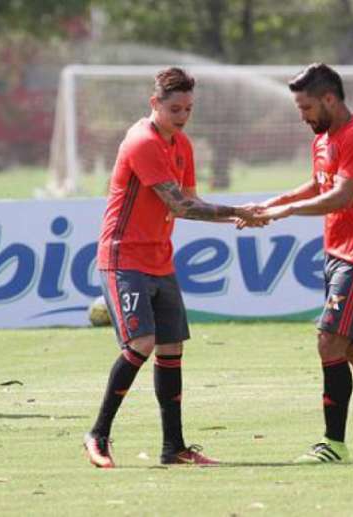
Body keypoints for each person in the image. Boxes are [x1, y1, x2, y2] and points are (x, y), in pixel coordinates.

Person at [237, 63, 353, 463]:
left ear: (328, 99)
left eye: (305, 107)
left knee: (329, 340)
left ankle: (333, 444)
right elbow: (318, 184)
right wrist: (269, 204)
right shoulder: (323, 138)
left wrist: (280, 215)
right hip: (338, 255)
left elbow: (341, 196)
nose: (302, 116)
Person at [83, 67, 262, 468]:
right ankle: (97, 434)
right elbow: (179, 205)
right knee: (142, 343)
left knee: (171, 349)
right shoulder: (141, 141)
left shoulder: (182, 145)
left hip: (159, 259)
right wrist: (238, 211)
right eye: (175, 108)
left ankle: (174, 448)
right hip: (122, 257)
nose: (182, 116)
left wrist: (238, 218)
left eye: (188, 108)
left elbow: (192, 203)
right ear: (155, 104)